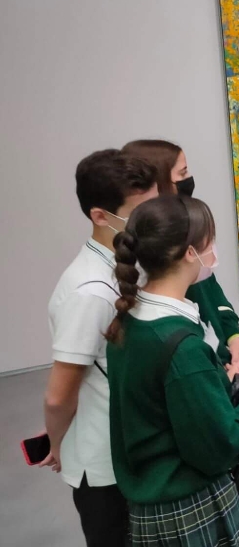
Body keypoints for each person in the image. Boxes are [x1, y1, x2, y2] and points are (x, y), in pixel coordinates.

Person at [106, 195, 239, 546]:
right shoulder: (183, 346)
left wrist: (218, 381)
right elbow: (222, 446)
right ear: (189, 253)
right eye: (210, 241)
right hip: (187, 505)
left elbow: (163, 400)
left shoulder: (129, 321)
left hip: (150, 504)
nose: (214, 251)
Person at [42, 150, 158, 547]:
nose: (153, 219)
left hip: (133, 449)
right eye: (140, 212)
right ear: (100, 216)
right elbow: (59, 396)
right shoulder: (88, 293)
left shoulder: (127, 264)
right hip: (106, 467)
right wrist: (57, 442)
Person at [122, 139, 239, 364]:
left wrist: (235, 335)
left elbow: (212, 292)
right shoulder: (156, 250)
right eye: (183, 172)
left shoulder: (188, 227)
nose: (189, 178)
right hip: (204, 358)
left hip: (219, 353)